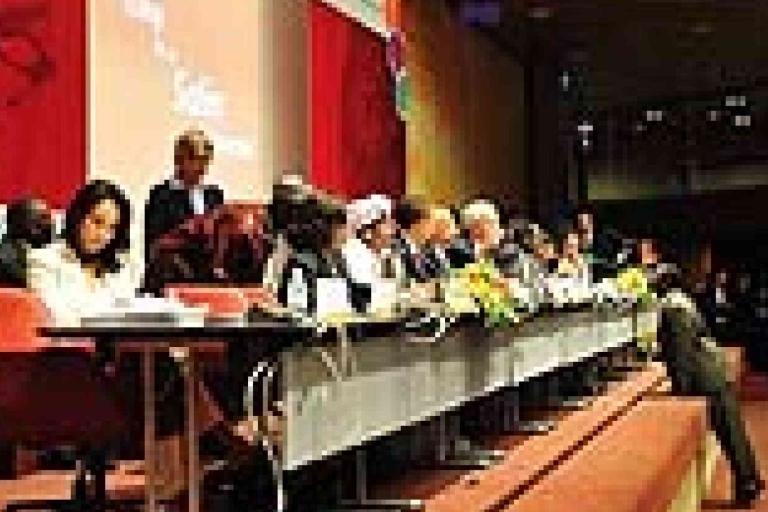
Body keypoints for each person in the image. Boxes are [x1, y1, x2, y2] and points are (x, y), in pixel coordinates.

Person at [655, 265, 764, 507]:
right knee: (732, 430)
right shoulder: (680, 301)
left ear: (665, 283)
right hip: (713, 371)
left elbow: (681, 352)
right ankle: (750, 480)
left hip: (707, 375)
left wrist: (681, 391)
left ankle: (748, 483)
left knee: (730, 432)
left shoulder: (673, 307)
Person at [27, 180, 139, 325]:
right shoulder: (44, 261)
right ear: (78, 217)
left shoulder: (120, 268)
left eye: (112, 228)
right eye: (97, 222)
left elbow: (128, 316)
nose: (103, 235)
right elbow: (54, 319)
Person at [145, 129, 224, 255]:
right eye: (195, 159)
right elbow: (155, 244)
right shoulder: (161, 195)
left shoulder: (214, 195)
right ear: (178, 159)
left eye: (206, 160)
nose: (201, 166)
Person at [343, 194, 402, 286]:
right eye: (388, 223)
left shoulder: (388, 250)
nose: (395, 227)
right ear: (368, 230)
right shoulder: (355, 255)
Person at [0, 198, 54, 287]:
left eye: (49, 219)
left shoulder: (52, 254)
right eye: (42, 218)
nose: (49, 224)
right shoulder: (8, 257)